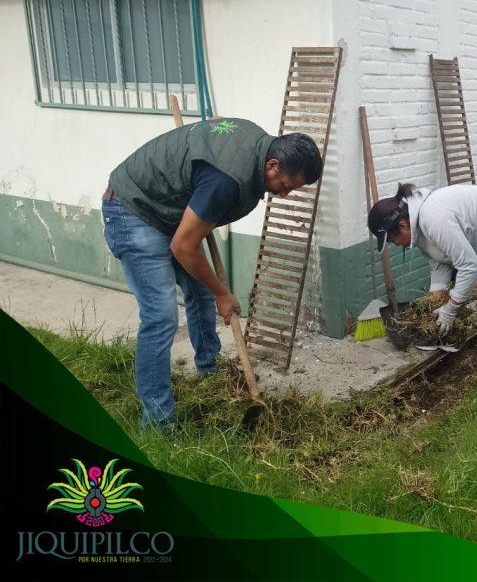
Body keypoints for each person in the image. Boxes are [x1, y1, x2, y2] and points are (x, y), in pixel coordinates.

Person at [101, 118, 323, 431]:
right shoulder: (227, 179)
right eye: (285, 186)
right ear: (273, 165)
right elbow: (183, 246)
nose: (283, 195)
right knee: (161, 316)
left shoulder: (255, 144)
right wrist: (223, 292)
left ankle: (210, 371)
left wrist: (213, 288)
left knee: (201, 290)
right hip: (133, 208)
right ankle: (157, 422)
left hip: (171, 211)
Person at [368, 183, 477, 403]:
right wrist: (433, 308)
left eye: (391, 240)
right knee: (465, 291)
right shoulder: (419, 229)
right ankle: (442, 336)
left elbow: (469, 266)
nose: (395, 245)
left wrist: (451, 308)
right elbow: (440, 266)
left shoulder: (433, 218)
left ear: (402, 224)